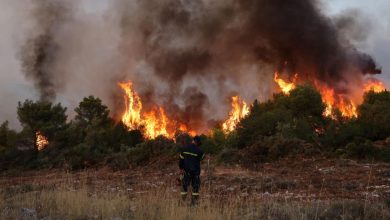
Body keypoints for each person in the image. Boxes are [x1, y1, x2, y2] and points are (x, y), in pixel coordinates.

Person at [179, 135, 205, 205]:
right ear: (197, 143)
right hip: (195, 172)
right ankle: (194, 203)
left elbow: (181, 160)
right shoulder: (200, 151)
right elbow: (202, 159)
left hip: (186, 171)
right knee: (195, 187)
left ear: (192, 141)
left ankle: (182, 201)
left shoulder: (184, 149)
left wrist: (181, 168)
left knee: (184, 186)